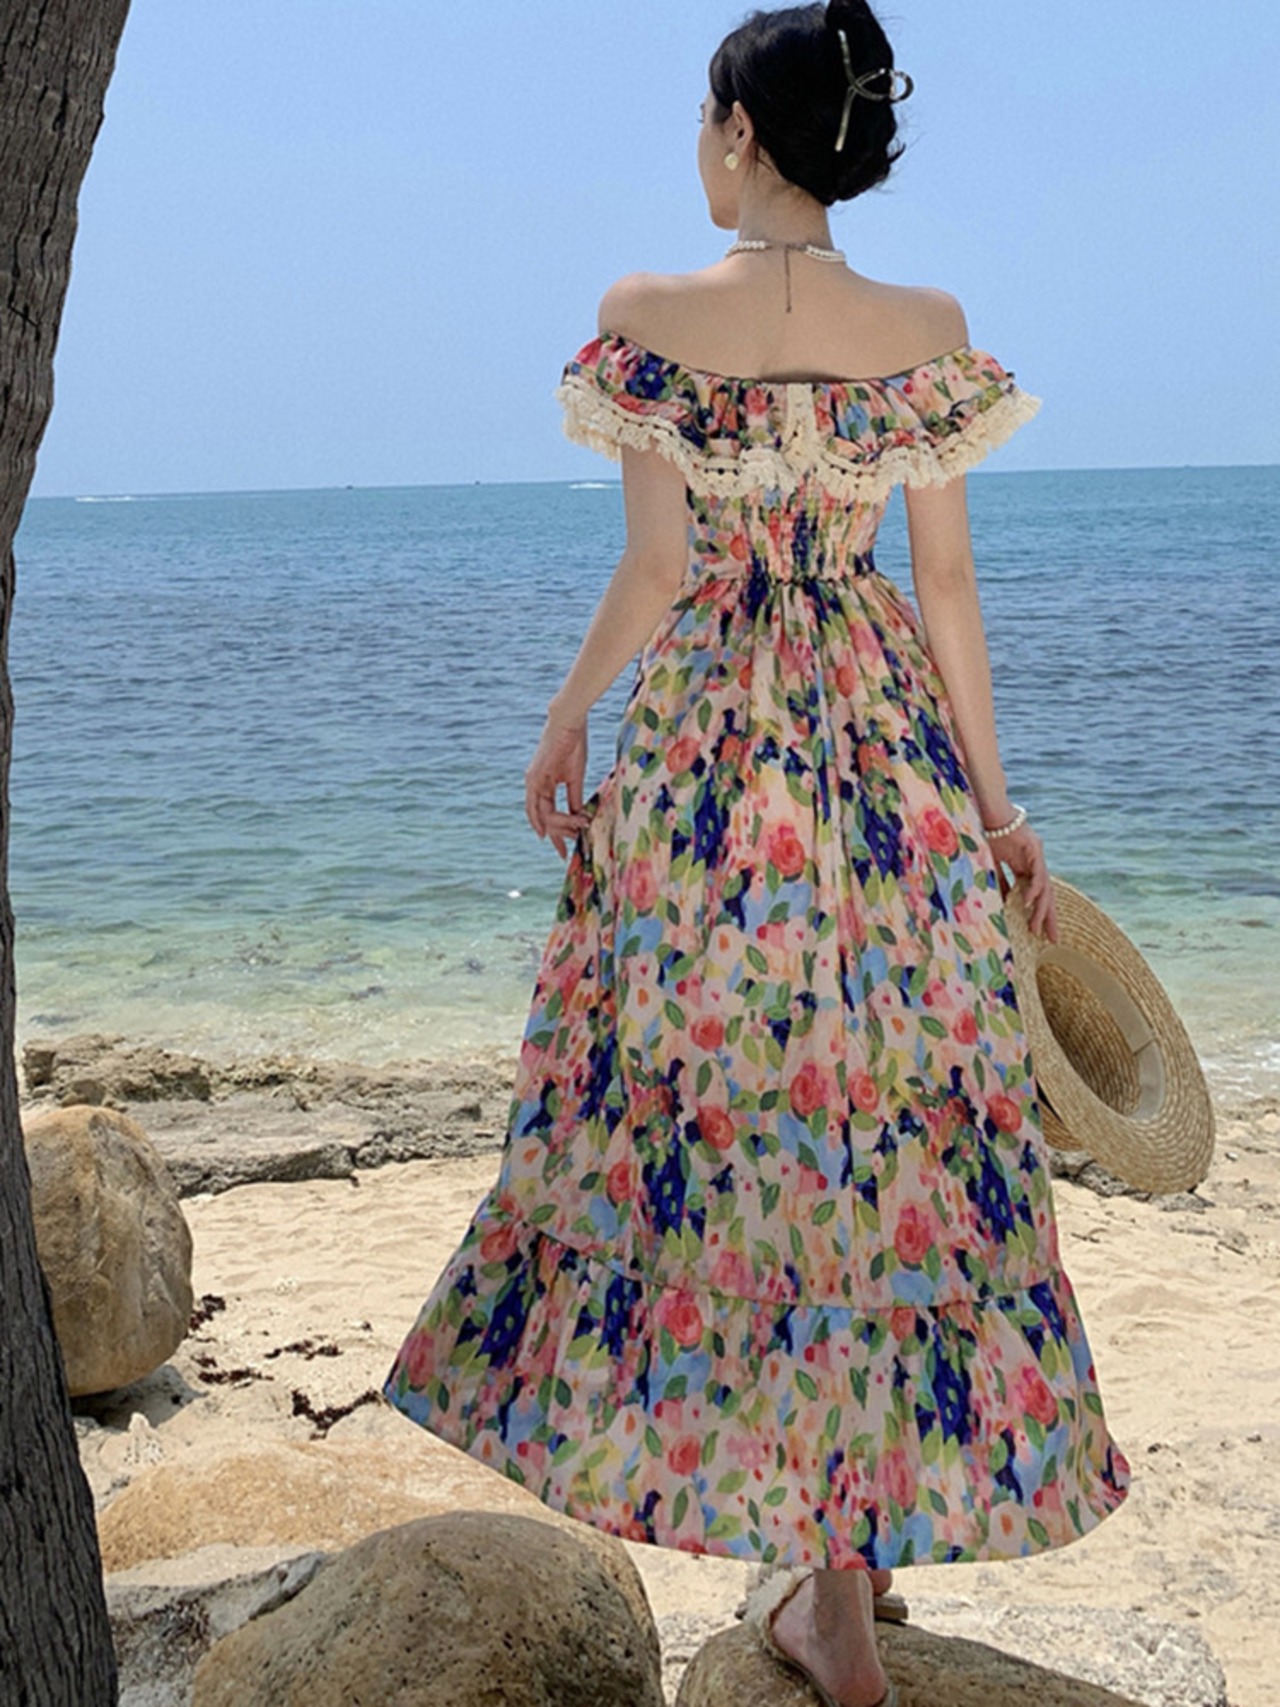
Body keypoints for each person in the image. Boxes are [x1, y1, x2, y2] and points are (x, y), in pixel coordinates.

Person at [383, 4, 1130, 1702]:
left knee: (724, 1136)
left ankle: (796, 1566)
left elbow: (659, 573)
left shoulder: (648, 317)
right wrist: (999, 811)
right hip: (884, 759)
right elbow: (948, 587)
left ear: (737, 128)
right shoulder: (925, 330)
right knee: (874, 1144)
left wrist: (567, 717)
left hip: (715, 768)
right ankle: (841, 1587)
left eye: (699, 121)